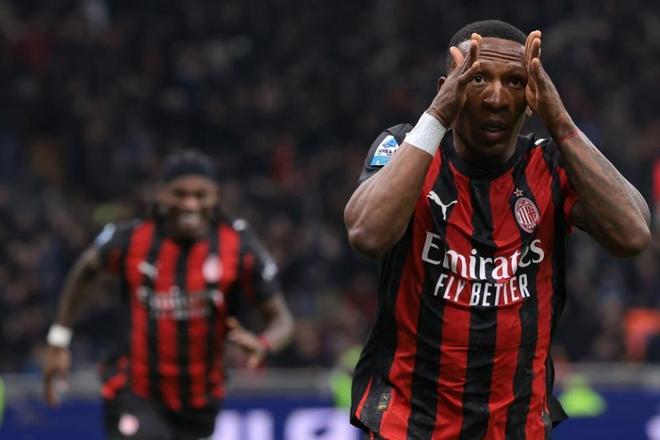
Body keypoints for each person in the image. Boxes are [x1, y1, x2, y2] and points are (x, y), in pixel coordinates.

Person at [344, 20, 651, 439]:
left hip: (517, 429)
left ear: (532, 97)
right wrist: (436, 116)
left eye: (515, 82)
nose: (496, 97)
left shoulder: (550, 165)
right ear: (448, 88)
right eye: (477, 78)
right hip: (409, 426)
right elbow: (367, 235)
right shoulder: (404, 148)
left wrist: (560, 121)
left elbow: (633, 234)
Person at [43, 150, 294, 440]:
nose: (190, 204)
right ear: (161, 194)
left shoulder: (238, 245)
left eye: (200, 195)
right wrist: (58, 341)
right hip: (135, 390)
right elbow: (85, 270)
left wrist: (263, 345)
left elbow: (283, 321)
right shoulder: (133, 238)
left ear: (216, 196)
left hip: (200, 400)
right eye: (180, 194)